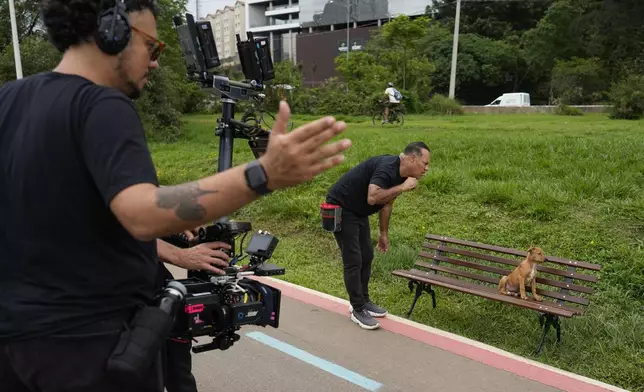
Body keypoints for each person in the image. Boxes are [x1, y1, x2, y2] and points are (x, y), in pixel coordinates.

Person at [0, 0, 351, 389]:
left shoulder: (9, 100)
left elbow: (76, 198)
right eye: (152, 47)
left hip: (15, 346)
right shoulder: (101, 104)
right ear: (113, 30)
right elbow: (143, 214)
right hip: (87, 350)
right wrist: (264, 174)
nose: (154, 63)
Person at [325, 142, 431, 330]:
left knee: (367, 255)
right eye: (425, 163)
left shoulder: (402, 175)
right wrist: (403, 188)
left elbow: (386, 202)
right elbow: (373, 197)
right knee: (354, 260)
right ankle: (357, 308)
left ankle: (364, 301)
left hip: (358, 211)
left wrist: (383, 233)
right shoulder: (387, 168)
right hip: (341, 207)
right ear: (413, 158)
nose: (427, 169)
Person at [156, 235, 231, 392]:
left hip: (157, 286)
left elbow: (147, 224)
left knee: (179, 372)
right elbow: (123, 230)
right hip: (109, 298)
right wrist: (180, 255)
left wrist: (180, 230)